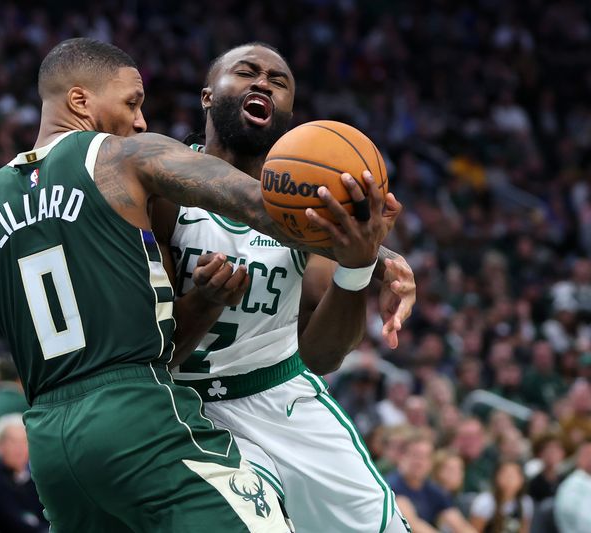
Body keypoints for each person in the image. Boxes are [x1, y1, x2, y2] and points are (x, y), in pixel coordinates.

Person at [0, 37, 381, 532]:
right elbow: (260, 205)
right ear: (80, 100)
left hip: (51, 446)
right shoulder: (124, 158)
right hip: (137, 415)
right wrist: (372, 249)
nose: (140, 120)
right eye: (132, 102)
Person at [151, 42, 415, 533]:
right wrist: (202, 302)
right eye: (246, 72)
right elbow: (150, 344)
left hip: (280, 395)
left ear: (289, 113)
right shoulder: (163, 185)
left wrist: (359, 266)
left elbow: (322, 357)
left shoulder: (306, 211)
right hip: (187, 409)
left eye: (278, 80)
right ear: (208, 96)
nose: (263, 83)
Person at [386, 433, 477, 533]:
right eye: (415, 455)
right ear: (402, 457)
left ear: (431, 462)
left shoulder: (433, 490)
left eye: (425, 457)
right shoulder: (391, 485)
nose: (419, 462)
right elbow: (412, 525)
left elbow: (459, 524)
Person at [0, 413, 48, 533]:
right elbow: (11, 521)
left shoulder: (36, 477)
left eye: (24, 441)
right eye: (13, 442)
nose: (20, 448)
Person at [469, 461, 533, 533]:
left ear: (522, 480)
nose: (509, 479)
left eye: (514, 475)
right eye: (506, 475)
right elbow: (473, 530)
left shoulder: (525, 502)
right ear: (496, 477)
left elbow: (524, 530)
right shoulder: (485, 501)